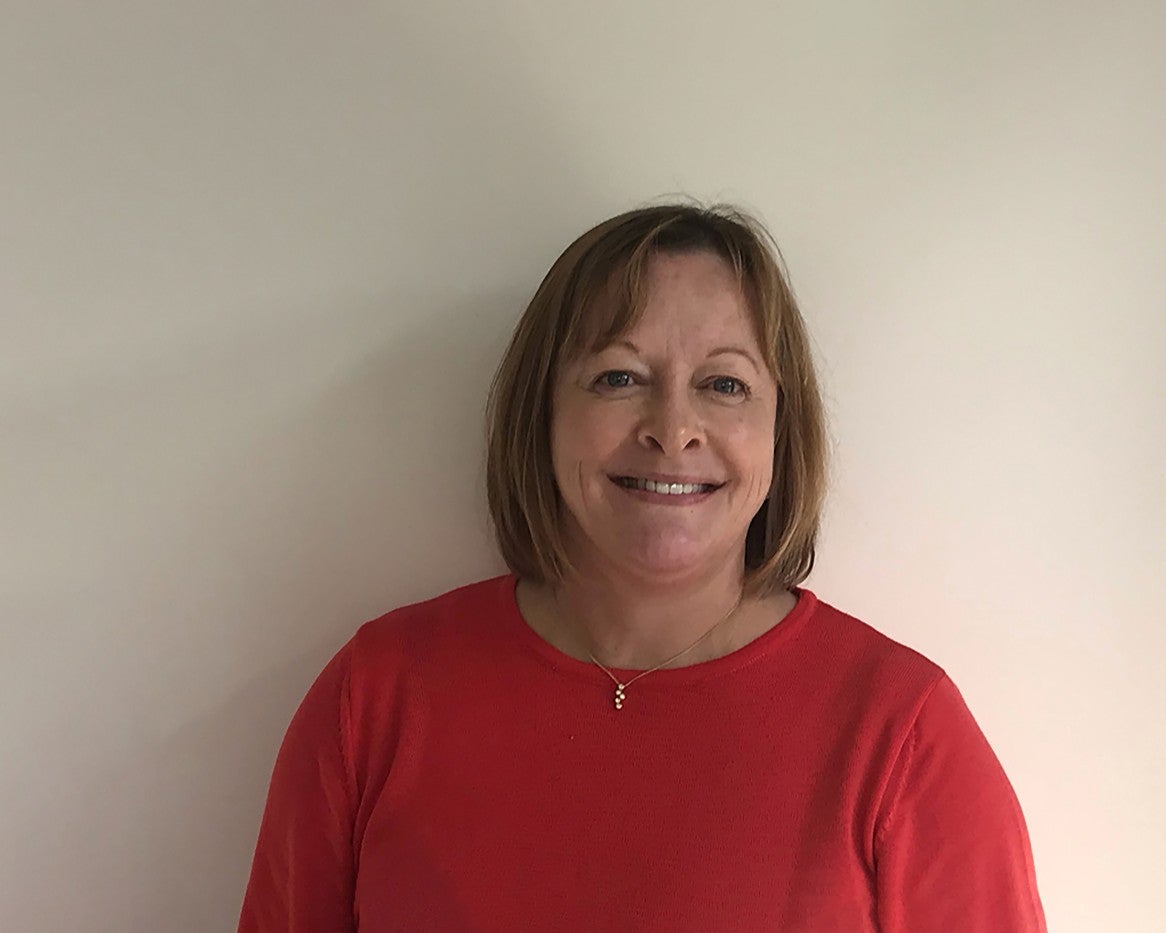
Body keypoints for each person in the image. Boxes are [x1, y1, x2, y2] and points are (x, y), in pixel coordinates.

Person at [237, 202, 1047, 931]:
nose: (673, 427)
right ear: (543, 412)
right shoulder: (375, 698)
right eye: (619, 377)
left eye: (724, 384)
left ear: (781, 429)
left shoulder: (903, 737)